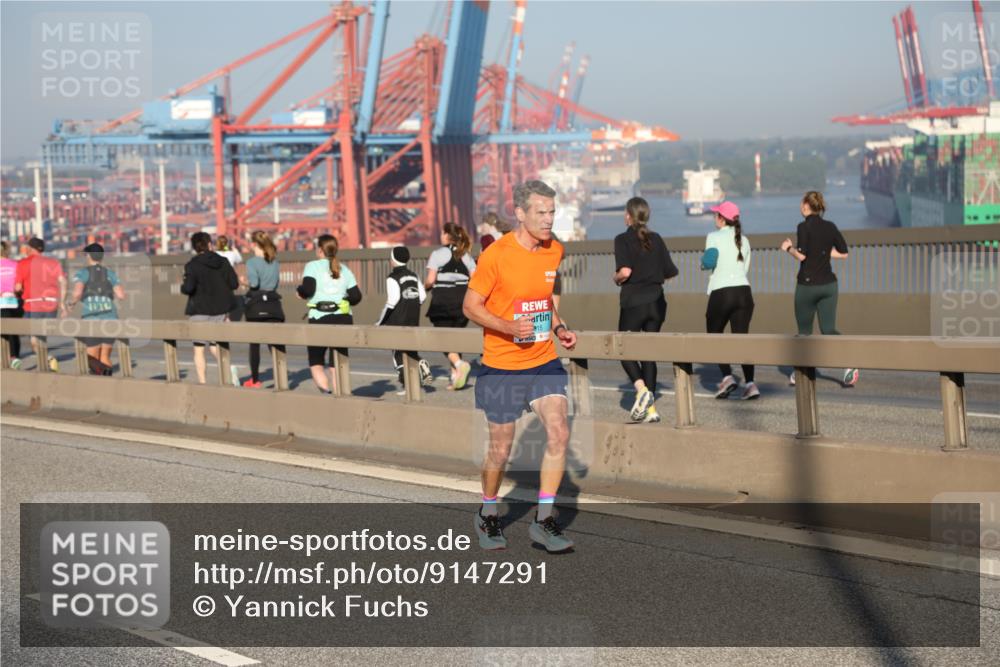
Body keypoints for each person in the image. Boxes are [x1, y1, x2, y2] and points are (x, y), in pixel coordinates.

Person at [464, 180, 578, 554]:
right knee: (501, 448)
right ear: (520, 213)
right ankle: (487, 511)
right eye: (541, 213)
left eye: (551, 212)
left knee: (559, 432)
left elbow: (543, 300)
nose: (548, 220)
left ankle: (544, 521)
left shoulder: (554, 251)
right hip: (502, 364)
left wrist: (558, 326)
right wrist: (508, 326)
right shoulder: (496, 255)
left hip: (543, 359)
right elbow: (471, 306)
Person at [780, 191, 859, 387]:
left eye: (801, 203)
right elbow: (844, 254)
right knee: (828, 329)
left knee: (804, 333)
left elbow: (802, 256)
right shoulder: (830, 226)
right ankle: (850, 361)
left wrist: (788, 248)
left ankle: (803, 371)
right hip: (829, 285)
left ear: (806, 205)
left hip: (807, 286)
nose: (800, 206)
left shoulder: (803, 226)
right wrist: (823, 255)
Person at [612, 197, 678, 422]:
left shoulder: (622, 239)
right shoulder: (657, 239)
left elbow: (625, 272)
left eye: (625, 213)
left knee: (622, 348)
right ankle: (651, 411)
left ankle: (641, 392)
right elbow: (671, 271)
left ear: (629, 216)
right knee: (648, 356)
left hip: (634, 303)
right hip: (657, 304)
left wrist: (616, 277)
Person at [703, 201, 758, 400]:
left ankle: (728, 377)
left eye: (716, 214)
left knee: (715, 336)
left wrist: (703, 264)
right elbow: (745, 269)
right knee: (742, 339)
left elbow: (709, 261)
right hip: (744, 292)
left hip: (722, 293)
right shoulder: (745, 240)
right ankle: (751, 384)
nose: (714, 217)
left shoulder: (713, 237)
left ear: (721, 218)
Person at [296, 234, 361, 394]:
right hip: (343, 319)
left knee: (316, 361)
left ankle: (327, 394)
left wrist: (300, 291)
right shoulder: (344, 269)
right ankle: (341, 395)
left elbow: (308, 289)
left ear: (319, 250)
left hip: (320, 318)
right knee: (337, 361)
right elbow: (356, 297)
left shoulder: (312, 266)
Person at [180, 231, 240, 384]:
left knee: (199, 349)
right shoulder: (223, 262)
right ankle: (228, 375)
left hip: (199, 310)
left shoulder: (191, 265)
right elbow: (234, 284)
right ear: (209, 244)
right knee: (216, 345)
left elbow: (188, 288)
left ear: (194, 247)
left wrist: (183, 284)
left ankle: (203, 383)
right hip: (220, 310)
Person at [425, 222, 476, 390]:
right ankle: (455, 378)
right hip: (463, 300)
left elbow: (431, 280)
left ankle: (459, 364)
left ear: (447, 235)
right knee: (455, 337)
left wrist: (424, 287)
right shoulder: (466, 255)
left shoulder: (438, 254)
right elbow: (475, 278)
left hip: (443, 302)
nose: (440, 236)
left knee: (442, 337)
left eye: (442, 233)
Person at [375, 246, 432, 395]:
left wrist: (380, 322)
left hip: (397, 321)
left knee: (397, 354)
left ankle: (408, 385)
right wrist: (412, 306)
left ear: (393, 260)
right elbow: (423, 296)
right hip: (413, 319)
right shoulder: (413, 275)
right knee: (410, 350)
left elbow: (392, 301)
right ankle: (418, 366)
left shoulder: (392, 278)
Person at [68, 243, 126, 375]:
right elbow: (122, 295)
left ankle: (98, 385)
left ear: (88, 256)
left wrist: (71, 304)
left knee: (91, 358)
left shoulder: (83, 273)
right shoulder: (110, 273)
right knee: (105, 357)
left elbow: (77, 293)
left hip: (92, 318)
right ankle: (107, 384)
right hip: (110, 317)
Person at [14, 237, 66, 372]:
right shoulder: (54, 263)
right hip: (51, 304)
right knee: (42, 335)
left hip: (33, 304)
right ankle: (46, 363)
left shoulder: (23, 263)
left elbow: (18, 287)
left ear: (30, 249)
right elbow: (63, 282)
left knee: (34, 340)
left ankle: (48, 360)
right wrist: (62, 303)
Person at [241, 231, 285, 388]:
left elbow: (254, 284)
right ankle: (281, 379)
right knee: (275, 344)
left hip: (257, 306)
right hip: (273, 304)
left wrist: (244, 282)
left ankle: (255, 380)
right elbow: (275, 284)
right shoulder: (275, 262)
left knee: (255, 346)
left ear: (254, 245)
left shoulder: (252, 262)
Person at [1, 241, 23, 369]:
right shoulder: (15, 264)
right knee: (13, 331)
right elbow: (20, 285)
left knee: (3, 331)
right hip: (15, 301)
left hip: (1, 302)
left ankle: (5, 357)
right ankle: (14, 357)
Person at [216, 235, 245, 322]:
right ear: (227, 243)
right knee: (228, 300)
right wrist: (235, 249)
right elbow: (240, 260)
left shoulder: (215, 254)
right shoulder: (232, 254)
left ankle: (221, 317)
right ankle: (227, 317)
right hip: (229, 281)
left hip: (218, 281)